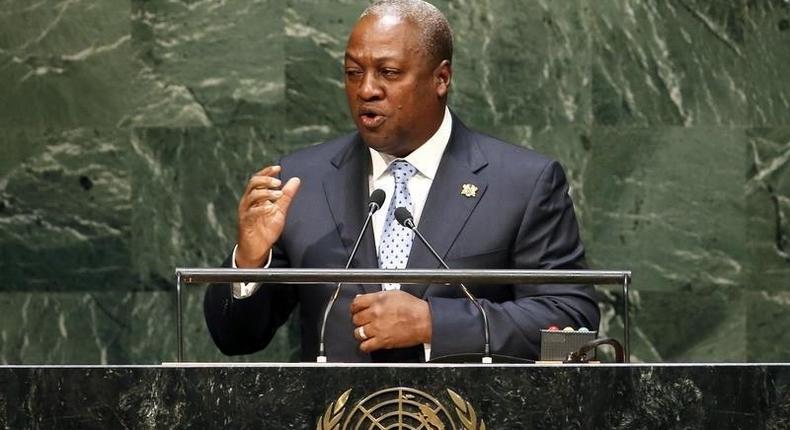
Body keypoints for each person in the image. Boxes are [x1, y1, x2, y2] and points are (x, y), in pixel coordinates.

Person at [204, 0, 599, 363]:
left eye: (388, 73)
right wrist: (249, 264)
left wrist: (435, 323)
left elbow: (572, 328)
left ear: (441, 78)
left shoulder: (522, 183)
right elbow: (235, 338)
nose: (367, 90)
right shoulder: (299, 183)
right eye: (353, 73)